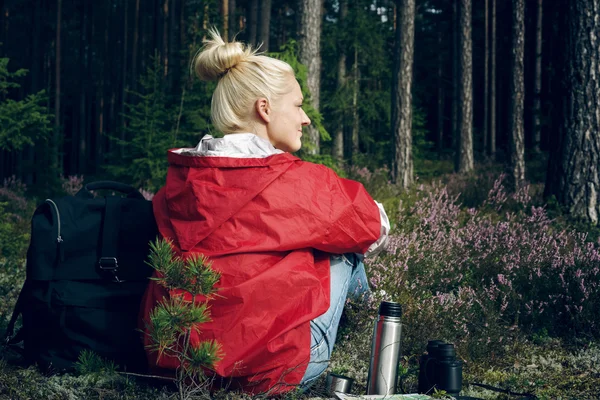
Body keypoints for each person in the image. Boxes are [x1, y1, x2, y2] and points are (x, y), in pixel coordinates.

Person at [139, 28, 389, 395]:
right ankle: (377, 339)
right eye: (298, 105)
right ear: (265, 108)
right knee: (345, 248)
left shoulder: (180, 183)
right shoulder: (295, 181)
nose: (305, 118)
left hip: (177, 366)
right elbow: (374, 224)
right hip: (272, 374)